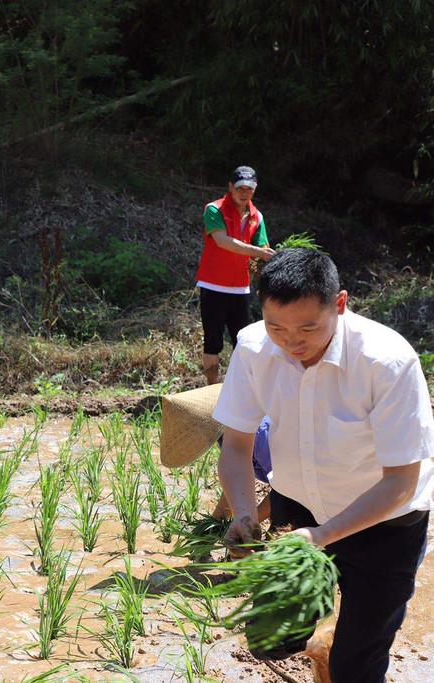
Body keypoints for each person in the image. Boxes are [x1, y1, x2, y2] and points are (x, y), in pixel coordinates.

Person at [214, 248, 433, 681]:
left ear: (340, 304)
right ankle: (323, 642)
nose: (292, 342)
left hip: (384, 523)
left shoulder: (387, 362)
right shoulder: (255, 346)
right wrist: (243, 514)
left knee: (358, 665)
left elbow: (401, 484)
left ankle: (343, 647)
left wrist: (322, 536)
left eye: (308, 328)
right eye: (277, 327)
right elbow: (236, 445)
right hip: (298, 508)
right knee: (272, 639)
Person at [194, 166, 275, 385]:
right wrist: (259, 252)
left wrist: (268, 256)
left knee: (243, 341)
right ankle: (210, 391)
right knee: (212, 342)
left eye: (249, 188)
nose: (244, 192)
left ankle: (240, 390)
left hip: (240, 287)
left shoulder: (257, 216)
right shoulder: (214, 209)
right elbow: (222, 241)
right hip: (213, 285)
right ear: (230, 187)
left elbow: (262, 246)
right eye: (240, 187)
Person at [159, 384, 271, 522]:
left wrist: (247, 524)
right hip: (290, 492)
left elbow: (284, 492)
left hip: (299, 493)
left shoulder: (259, 434)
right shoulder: (226, 436)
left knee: (282, 520)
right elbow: (237, 479)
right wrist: (215, 521)